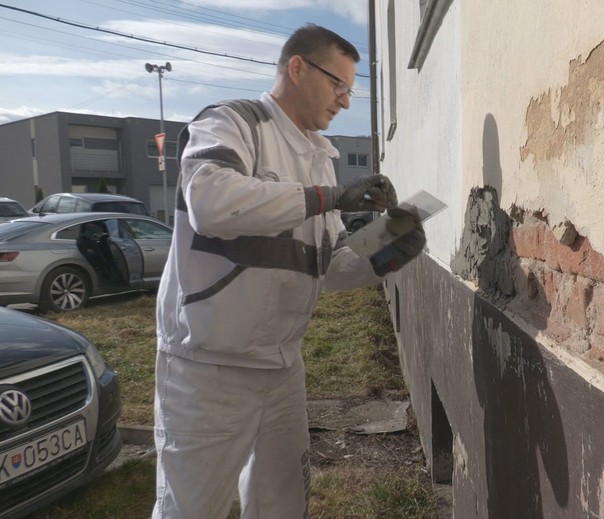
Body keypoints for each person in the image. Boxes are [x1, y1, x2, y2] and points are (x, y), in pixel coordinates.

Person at [152, 24, 426, 519]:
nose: (345, 101)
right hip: (209, 367)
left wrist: (390, 248)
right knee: (191, 510)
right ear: (297, 68)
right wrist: (329, 197)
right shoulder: (233, 122)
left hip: (281, 367)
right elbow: (210, 203)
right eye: (338, 85)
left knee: (281, 502)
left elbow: (331, 264)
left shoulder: (321, 159)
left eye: (351, 89)